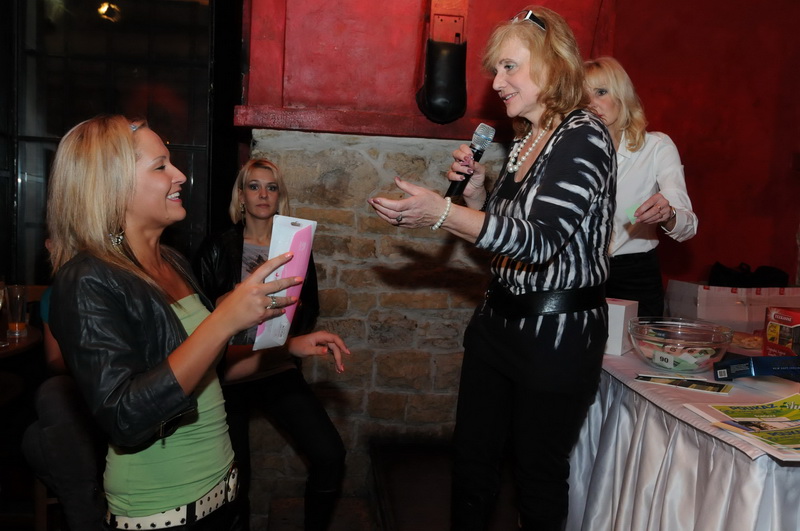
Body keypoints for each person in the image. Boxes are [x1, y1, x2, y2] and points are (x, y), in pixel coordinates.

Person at [368, 7, 615, 530]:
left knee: (536, 476)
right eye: (496, 70)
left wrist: (443, 213)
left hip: (556, 336)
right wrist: (478, 195)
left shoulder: (583, 135)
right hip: (497, 325)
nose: (497, 82)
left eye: (509, 67)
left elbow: (539, 241)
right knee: (472, 464)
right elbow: (505, 239)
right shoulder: (524, 139)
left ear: (552, 65)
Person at [45, 115, 347, 531]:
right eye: (160, 166)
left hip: (221, 494)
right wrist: (223, 320)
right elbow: (125, 417)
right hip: (162, 511)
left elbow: (206, 371)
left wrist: (288, 347)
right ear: (112, 184)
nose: (180, 175)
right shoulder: (87, 278)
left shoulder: (172, 261)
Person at [193, 158, 347, 531]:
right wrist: (227, 303)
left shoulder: (295, 247)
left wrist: (290, 331)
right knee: (235, 482)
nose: (263, 194)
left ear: (280, 196)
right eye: (254, 186)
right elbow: (197, 316)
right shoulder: (217, 246)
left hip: (275, 365)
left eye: (271, 187)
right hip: (228, 374)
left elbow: (310, 306)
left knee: (330, 455)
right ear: (241, 196)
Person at [584, 56, 698, 316]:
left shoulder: (655, 147)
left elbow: (688, 226)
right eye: (582, 97)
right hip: (581, 271)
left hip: (635, 275)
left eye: (601, 92)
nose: (591, 103)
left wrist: (668, 214)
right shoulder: (570, 152)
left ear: (622, 96)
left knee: (638, 342)